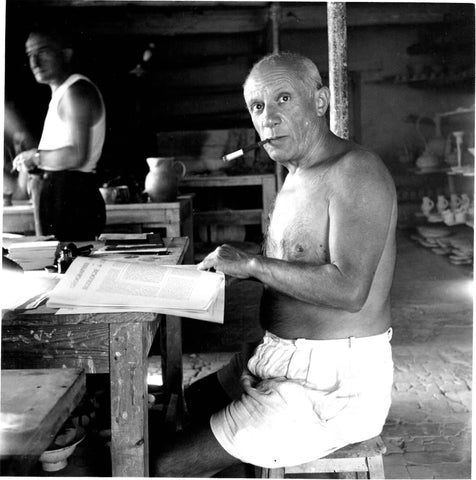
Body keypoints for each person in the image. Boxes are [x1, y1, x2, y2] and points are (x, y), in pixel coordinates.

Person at [151, 52, 397, 477]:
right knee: (186, 405)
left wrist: (254, 264)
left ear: (320, 102)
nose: (269, 118)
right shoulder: (296, 176)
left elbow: (349, 289)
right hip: (283, 359)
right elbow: (294, 275)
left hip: (334, 386)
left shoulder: (355, 170)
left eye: (283, 99)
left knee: (163, 462)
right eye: (258, 107)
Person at [13, 28, 106, 240]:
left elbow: (76, 155)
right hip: (61, 196)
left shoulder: (75, 91)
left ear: (66, 54)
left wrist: (35, 157)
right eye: (30, 55)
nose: (35, 62)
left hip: (72, 198)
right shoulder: (63, 92)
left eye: (43, 52)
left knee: (70, 271)